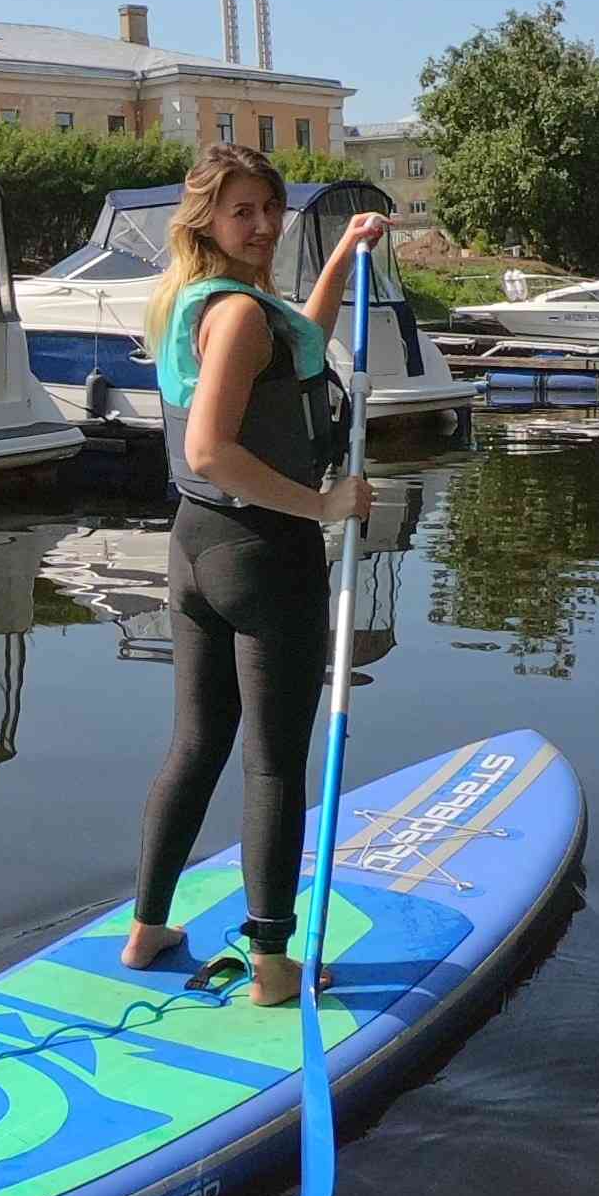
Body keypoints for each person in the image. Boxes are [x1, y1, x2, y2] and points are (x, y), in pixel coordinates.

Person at [120, 145, 387, 1006]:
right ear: (206, 219)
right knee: (273, 765)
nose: (264, 225)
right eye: (243, 211)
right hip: (264, 552)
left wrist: (342, 254)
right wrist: (325, 506)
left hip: (196, 546)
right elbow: (209, 449)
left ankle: (148, 926)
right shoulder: (235, 312)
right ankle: (272, 965)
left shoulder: (200, 303)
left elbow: (300, 343)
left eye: (271, 208)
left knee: (196, 743)